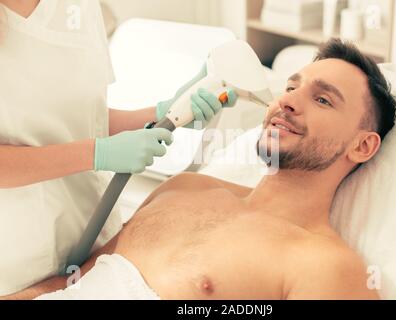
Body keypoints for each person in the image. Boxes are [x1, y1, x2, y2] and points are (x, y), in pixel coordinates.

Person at [2, 38, 396, 300]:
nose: (288, 101)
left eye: (324, 100)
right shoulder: (184, 189)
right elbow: (65, 286)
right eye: (290, 87)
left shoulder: (327, 268)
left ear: (362, 145)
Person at [0, 0, 236, 296]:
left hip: (96, 241)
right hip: (15, 262)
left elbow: (81, 117)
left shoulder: (81, 8)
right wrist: (98, 153)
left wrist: (166, 112)